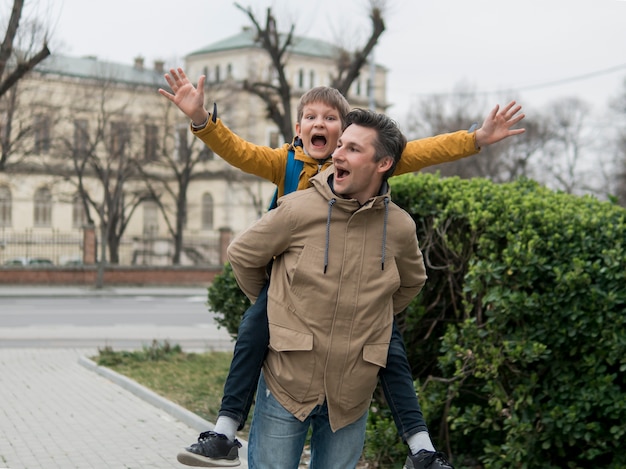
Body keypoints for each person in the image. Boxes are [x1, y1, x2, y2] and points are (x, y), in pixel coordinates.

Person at [159, 68, 525, 468]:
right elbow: (238, 152)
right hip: (288, 296)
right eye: (311, 117)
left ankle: (420, 447)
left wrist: (475, 139)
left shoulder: (370, 172)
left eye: (332, 119)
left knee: (390, 349)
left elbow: (423, 151)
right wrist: (201, 120)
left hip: (353, 327)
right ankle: (225, 431)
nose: (321, 124)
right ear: (298, 130)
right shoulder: (285, 164)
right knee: (252, 332)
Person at [228, 108, 426, 468]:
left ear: (382, 164)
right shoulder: (297, 210)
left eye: (352, 149)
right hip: (286, 386)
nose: (337, 153)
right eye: (341, 145)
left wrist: (370, 318)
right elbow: (242, 255)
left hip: (351, 396)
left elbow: (411, 282)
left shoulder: (399, 227)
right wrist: (278, 306)